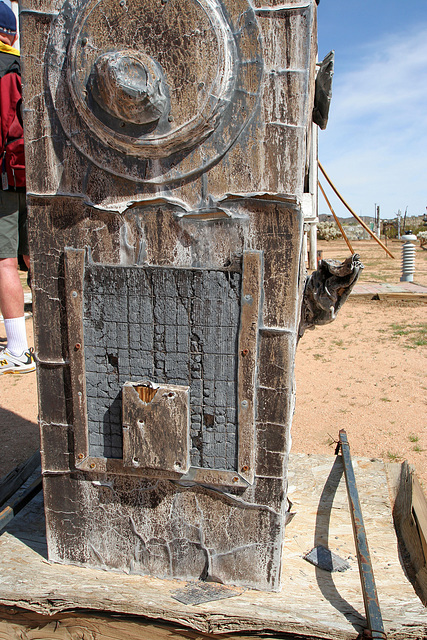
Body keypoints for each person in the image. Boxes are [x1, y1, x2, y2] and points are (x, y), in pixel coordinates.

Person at [0, 1, 34, 374]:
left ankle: (17, 350)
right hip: (30, 174)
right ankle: (52, 335)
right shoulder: (25, 66)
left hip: (3, 178)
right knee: (31, 255)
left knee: (4, 260)